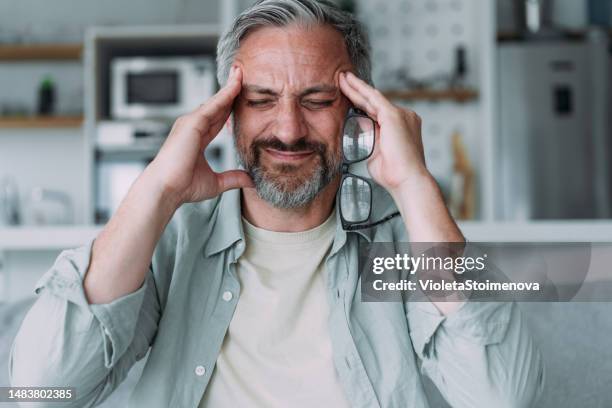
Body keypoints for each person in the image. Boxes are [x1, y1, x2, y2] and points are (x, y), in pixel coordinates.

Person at [10, 0, 544, 407]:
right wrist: (156, 190)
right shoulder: (173, 235)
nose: (288, 130)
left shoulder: (400, 241)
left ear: (359, 112)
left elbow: (503, 395)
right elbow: (41, 390)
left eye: (316, 101)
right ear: (227, 113)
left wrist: (415, 184)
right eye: (261, 101)